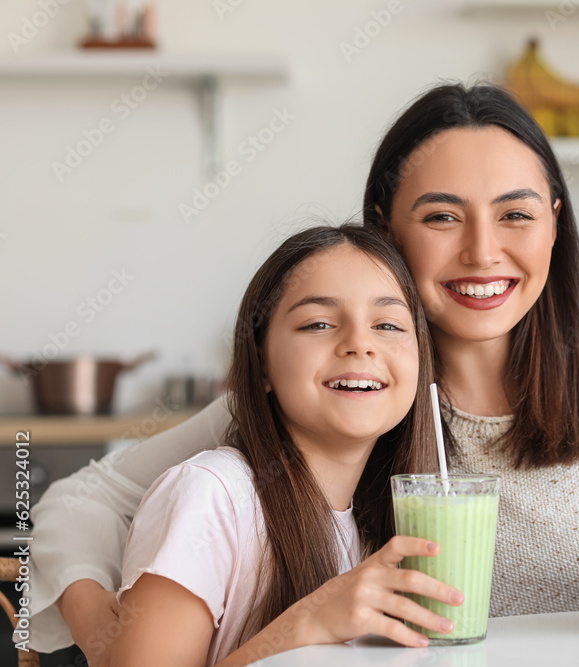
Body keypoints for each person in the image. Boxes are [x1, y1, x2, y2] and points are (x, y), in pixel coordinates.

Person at [26, 84, 579, 665]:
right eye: (442, 217)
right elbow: (82, 499)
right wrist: (107, 631)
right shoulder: (352, 385)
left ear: (554, 221)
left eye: (516, 214)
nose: (484, 253)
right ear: (384, 228)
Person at [108, 225, 465, 666]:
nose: (359, 344)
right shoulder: (211, 497)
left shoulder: (381, 523)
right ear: (261, 367)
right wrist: (305, 625)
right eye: (318, 323)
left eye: (388, 324)